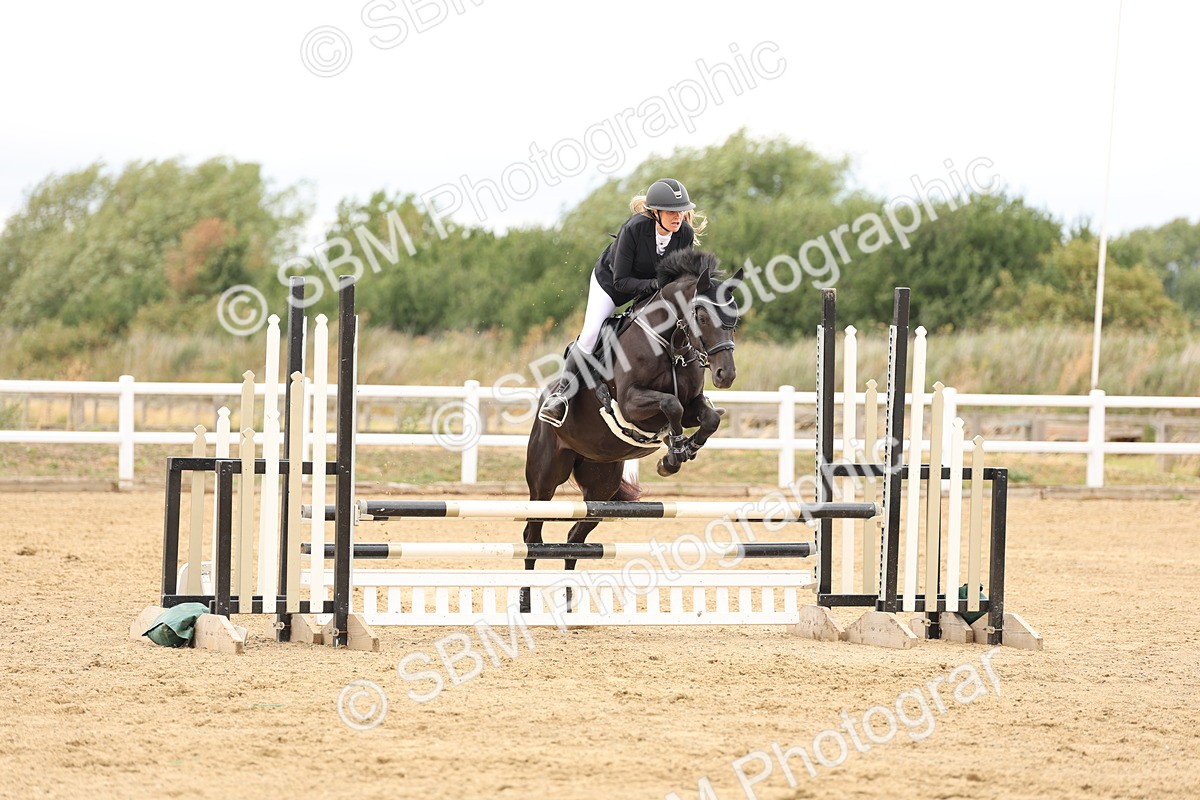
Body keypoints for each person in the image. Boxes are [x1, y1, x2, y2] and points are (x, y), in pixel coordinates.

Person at [537, 178, 706, 427]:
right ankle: (561, 396)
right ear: (655, 212)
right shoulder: (635, 229)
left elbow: (681, 279)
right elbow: (621, 281)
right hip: (612, 285)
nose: (678, 217)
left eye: (680, 211)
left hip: (650, 291)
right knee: (591, 333)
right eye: (671, 211)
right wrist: (654, 286)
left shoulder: (684, 235)